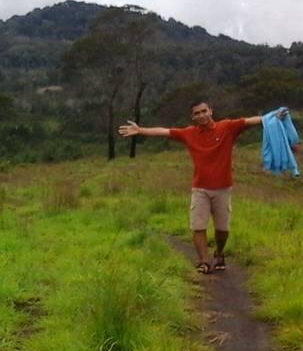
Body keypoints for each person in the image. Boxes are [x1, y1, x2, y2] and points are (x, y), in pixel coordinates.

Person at [117, 100, 287, 274]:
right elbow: (165, 131)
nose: (201, 115)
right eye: (197, 113)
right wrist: (140, 130)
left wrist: (273, 115)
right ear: (193, 117)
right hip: (200, 189)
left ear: (211, 111)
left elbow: (251, 121)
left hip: (223, 188)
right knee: (198, 226)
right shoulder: (189, 133)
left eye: (204, 111)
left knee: (223, 229)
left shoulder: (227, 127)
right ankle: (203, 261)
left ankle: (219, 253)